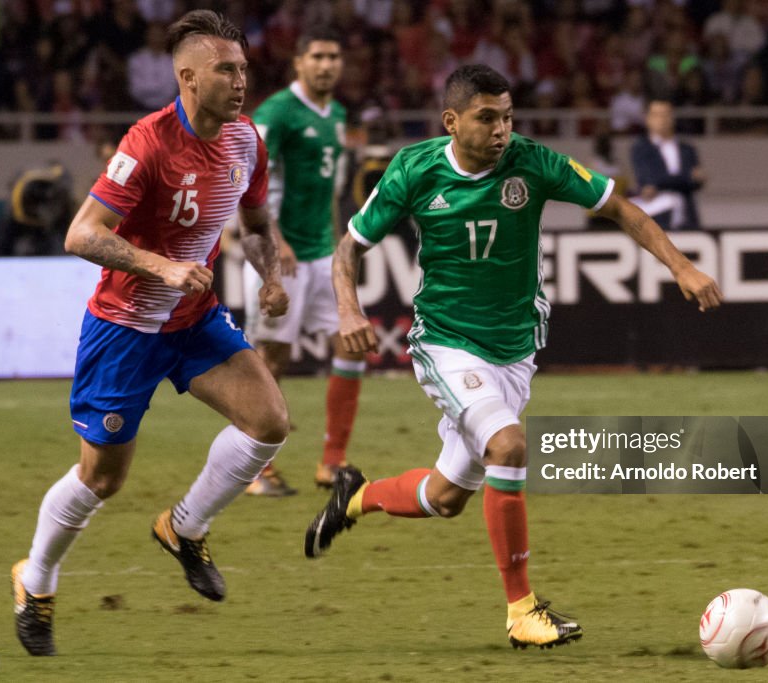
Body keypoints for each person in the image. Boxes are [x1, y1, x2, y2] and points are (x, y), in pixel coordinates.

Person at [305, 64, 722, 649]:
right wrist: (349, 311)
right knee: (510, 445)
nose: (501, 129)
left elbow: (620, 208)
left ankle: (358, 498)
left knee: (448, 496)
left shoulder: (534, 161)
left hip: (515, 349)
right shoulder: (415, 168)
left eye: (507, 116)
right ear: (452, 122)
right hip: (447, 342)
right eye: (486, 118)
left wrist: (681, 266)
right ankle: (522, 611)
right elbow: (348, 250)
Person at [10, 10, 290, 657]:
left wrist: (271, 273)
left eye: (244, 69)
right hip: (125, 329)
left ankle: (185, 527)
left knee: (269, 421)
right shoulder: (148, 143)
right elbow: (80, 233)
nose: (240, 80)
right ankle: (37, 578)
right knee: (102, 479)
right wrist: (162, 264)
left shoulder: (247, 140)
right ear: (187, 76)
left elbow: (254, 218)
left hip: (192, 319)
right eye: (226, 69)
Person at [242, 25, 364, 496]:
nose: (327, 64)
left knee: (352, 343)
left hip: (321, 254)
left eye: (334, 56)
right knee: (274, 359)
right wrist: (275, 242)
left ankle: (332, 462)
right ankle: (255, 468)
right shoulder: (277, 112)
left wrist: (341, 248)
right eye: (317, 56)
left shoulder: (337, 114)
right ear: (299, 62)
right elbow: (249, 178)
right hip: (281, 257)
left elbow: (332, 194)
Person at [630, 99, 706, 231]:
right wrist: (687, 177)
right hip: (658, 218)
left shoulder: (686, 148)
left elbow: (696, 182)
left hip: (687, 218)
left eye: (666, 114)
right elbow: (650, 179)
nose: (662, 119)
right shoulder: (641, 148)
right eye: (657, 115)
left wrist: (662, 183)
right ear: (648, 119)